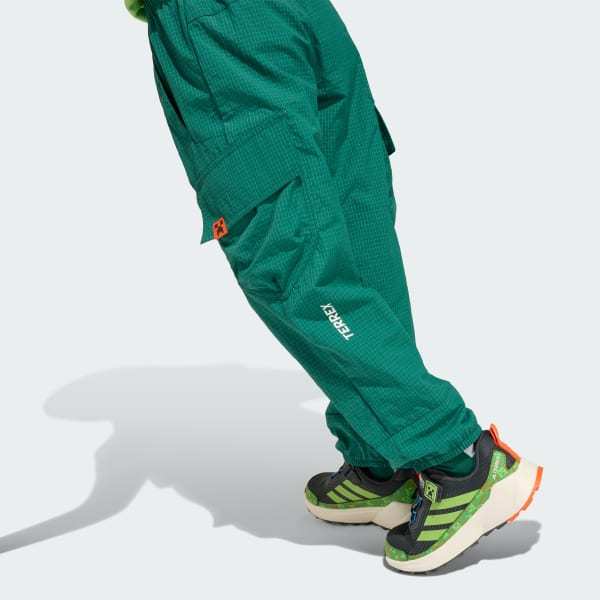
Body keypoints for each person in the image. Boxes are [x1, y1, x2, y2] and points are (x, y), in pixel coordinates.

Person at [125, 0, 542, 572]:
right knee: (352, 229)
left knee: (291, 261)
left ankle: (456, 460)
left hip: (216, 25)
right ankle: (384, 460)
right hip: (294, 14)